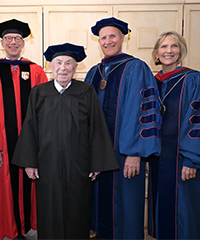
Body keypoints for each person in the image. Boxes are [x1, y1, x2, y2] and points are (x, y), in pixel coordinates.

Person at [11, 42, 119, 239]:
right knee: (49, 208)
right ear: (50, 67)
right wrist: (29, 162)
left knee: (77, 208)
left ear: (75, 68)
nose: (63, 68)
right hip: (47, 164)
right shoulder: (39, 92)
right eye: (58, 62)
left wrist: (96, 163)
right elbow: (29, 127)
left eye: (68, 63)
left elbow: (96, 127)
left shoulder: (86, 91)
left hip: (79, 164)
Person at [147, 31, 200, 240]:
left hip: (183, 161)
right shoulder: (151, 83)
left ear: (181, 51)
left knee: (184, 214)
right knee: (160, 210)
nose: (169, 51)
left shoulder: (194, 80)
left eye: (174, 46)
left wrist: (193, 160)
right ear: (156, 53)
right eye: (164, 47)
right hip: (159, 160)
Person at [84, 17, 162, 239]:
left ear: (123, 38)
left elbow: (141, 113)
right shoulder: (94, 72)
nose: (108, 41)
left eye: (112, 36)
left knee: (126, 203)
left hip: (124, 154)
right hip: (99, 155)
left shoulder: (136, 68)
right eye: (103, 38)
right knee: (99, 202)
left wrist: (134, 153)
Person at [0, 19, 48, 239]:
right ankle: (4, 230)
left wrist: (39, 145)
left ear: (23, 43)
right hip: (1, 147)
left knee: (30, 188)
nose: (13, 42)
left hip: (30, 145)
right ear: (2, 42)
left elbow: (45, 111)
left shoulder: (36, 71)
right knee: (2, 192)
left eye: (17, 38)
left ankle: (26, 227)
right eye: (9, 38)